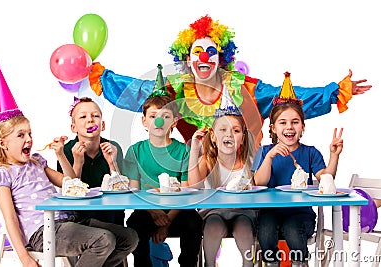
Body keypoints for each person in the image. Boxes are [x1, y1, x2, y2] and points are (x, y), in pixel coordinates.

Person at [87, 14, 371, 149]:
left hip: (237, 171)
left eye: (212, 52)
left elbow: (284, 99)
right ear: (187, 59)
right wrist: (101, 76)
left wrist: (334, 92)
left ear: (222, 59)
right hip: (191, 172)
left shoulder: (241, 87)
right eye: (197, 52)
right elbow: (135, 91)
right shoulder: (175, 88)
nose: (204, 58)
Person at [0, 63, 138, 267]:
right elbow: (10, 218)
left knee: (129, 238)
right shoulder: (2, 173)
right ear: (2, 143)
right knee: (104, 240)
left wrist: (61, 155)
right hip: (41, 231)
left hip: (68, 221)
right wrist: (25, 258)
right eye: (21, 135)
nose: (29, 139)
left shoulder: (37, 163)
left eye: (30, 133)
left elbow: (70, 184)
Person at [251, 73, 344, 267]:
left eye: (295, 122)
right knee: (266, 230)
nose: (289, 127)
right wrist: (269, 157)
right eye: (283, 123)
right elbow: (259, 182)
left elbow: (326, 179)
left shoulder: (310, 153)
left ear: (302, 127)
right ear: (274, 128)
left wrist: (334, 155)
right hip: (270, 212)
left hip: (301, 214)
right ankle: (271, 264)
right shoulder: (264, 151)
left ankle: (300, 264)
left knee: (292, 229)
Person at [123, 74, 203, 267]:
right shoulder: (135, 151)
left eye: (165, 117)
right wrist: (154, 212)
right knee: (135, 225)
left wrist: (167, 221)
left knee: (194, 222)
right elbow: (134, 190)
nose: (158, 122)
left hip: (177, 211)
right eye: (153, 117)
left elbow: (186, 191)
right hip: (147, 210)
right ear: (144, 121)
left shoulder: (182, 150)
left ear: (174, 122)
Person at [188, 101, 257, 267]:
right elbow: (194, 185)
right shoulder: (208, 161)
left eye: (236, 130)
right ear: (213, 136)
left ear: (243, 137)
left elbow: (257, 190)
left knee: (244, 228)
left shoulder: (250, 163)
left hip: (244, 212)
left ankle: (248, 265)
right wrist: (195, 150)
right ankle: (209, 264)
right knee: (212, 226)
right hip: (213, 212)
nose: (229, 134)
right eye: (223, 129)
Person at [57, 96, 126, 225]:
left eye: (95, 116)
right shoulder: (65, 151)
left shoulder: (113, 148)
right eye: (83, 117)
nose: (90, 120)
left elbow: (121, 191)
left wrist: (112, 164)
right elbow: (69, 194)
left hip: (110, 214)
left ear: (103, 125)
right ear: (73, 127)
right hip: (79, 216)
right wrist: (78, 162)